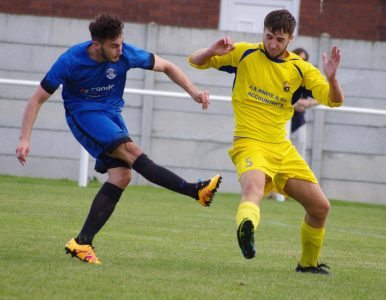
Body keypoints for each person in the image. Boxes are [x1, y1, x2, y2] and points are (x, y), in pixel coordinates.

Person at [16, 13, 222, 265]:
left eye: (121, 43)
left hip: (112, 114)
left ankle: (82, 242)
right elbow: (37, 98)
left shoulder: (125, 54)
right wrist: (25, 139)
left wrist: (194, 92)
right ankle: (195, 191)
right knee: (132, 152)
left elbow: (167, 65)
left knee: (121, 176)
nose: (119, 50)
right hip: (85, 114)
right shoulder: (70, 60)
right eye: (114, 45)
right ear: (96, 44)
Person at [189, 9, 343, 274]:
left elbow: (334, 100)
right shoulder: (245, 53)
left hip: (281, 149)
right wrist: (211, 51)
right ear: (263, 32)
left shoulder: (300, 69)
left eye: (279, 39)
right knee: (253, 189)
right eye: (269, 36)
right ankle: (246, 230)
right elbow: (195, 61)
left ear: (290, 39)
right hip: (249, 142)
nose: (272, 44)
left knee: (320, 207)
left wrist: (331, 78)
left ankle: (307, 265)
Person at [290, 48, 318, 158]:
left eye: (304, 60)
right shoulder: (284, 73)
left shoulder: (307, 78)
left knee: (299, 157)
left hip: (299, 121)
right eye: (298, 59)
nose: (301, 62)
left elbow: (323, 96)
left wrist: (308, 103)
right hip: (282, 121)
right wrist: (295, 103)